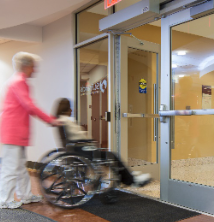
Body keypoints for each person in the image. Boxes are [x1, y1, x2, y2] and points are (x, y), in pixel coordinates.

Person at [0, 52, 60, 209]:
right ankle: (4, 200)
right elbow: (29, 105)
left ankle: (25, 195)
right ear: (26, 66)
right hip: (13, 132)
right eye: (33, 66)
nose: (35, 70)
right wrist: (50, 119)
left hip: (16, 133)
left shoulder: (19, 81)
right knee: (10, 167)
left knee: (20, 167)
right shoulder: (18, 81)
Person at [55, 98, 151, 187]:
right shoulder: (66, 121)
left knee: (109, 156)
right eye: (70, 108)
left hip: (78, 150)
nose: (72, 110)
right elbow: (80, 136)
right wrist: (90, 140)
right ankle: (131, 180)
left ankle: (128, 176)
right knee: (112, 156)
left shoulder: (60, 121)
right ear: (67, 109)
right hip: (83, 151)